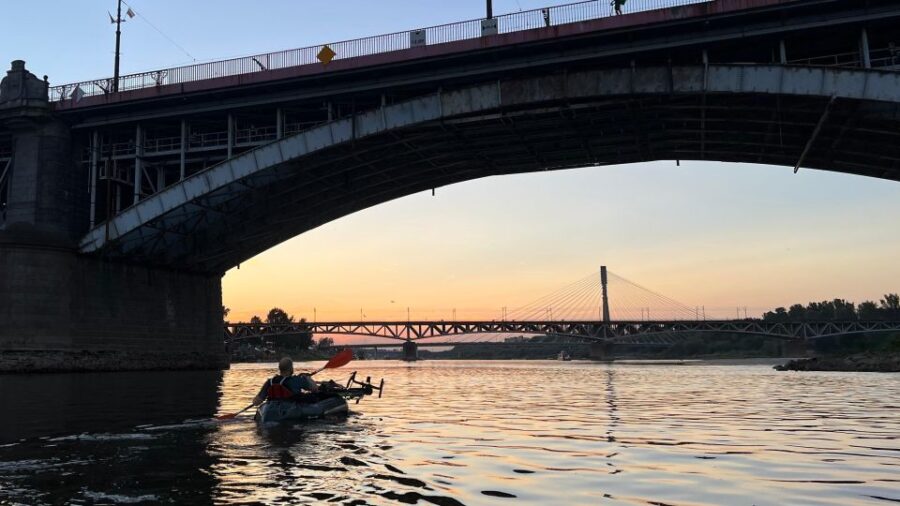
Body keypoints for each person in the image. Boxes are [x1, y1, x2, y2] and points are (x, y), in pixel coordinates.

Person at [252, 356, 318, 406]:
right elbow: (315, 388)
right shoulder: (296, 380)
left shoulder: (270, 382)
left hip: (273, 409)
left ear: (280, 368)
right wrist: (308, 378)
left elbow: (256, 402)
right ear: (291, 368)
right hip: (291, 409)